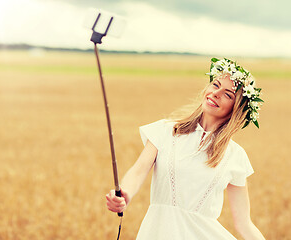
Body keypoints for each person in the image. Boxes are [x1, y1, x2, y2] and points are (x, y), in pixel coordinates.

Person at [106, 58, 266, 239]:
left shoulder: (236, 156)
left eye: (228, 94)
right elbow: (138, 171)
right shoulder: (166, 130)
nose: (215, 93)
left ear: (236, 109)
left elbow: (244, 223)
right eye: (215, 85)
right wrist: (124, 194)